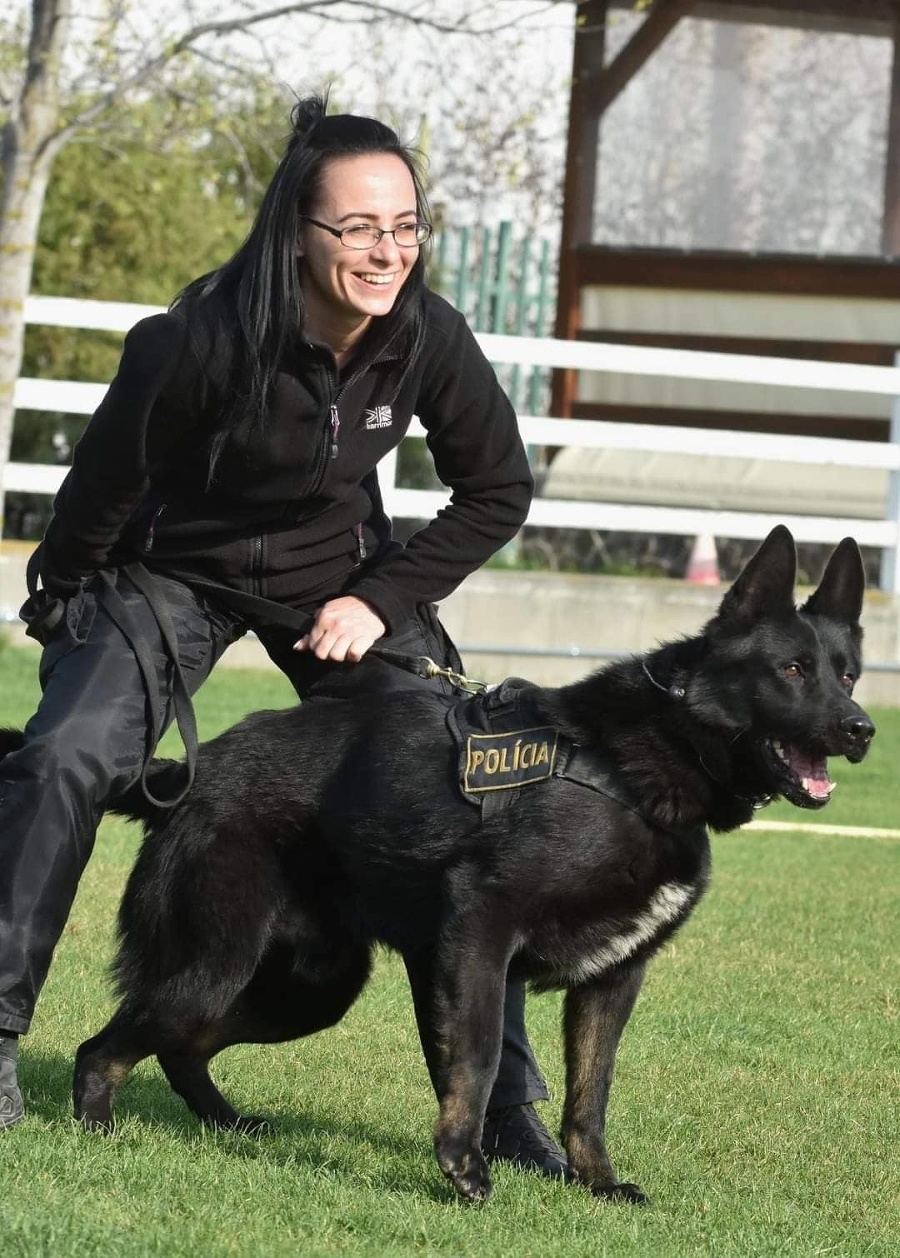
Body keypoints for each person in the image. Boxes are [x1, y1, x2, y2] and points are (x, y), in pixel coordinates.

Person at [0, 93, 566, 1176]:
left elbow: (497, 489)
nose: (385, 250)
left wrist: (383, 598)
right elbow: (101, 490)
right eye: (357, 227)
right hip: (175, 572)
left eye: (404, 225)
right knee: (70, 753)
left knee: (444, 781)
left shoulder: (427, 337)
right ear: (296, 233)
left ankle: (499, 1101)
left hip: (334, 577)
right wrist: (64, 599)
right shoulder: (192, 343)